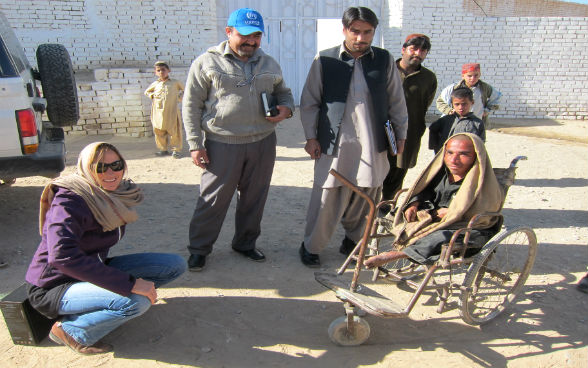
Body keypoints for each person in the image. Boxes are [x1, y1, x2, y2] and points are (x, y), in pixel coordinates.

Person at [24, 142, 186, 354]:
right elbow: (61, 256)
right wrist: (129, 284)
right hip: (55, 285)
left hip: (91, 268)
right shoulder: (70, 200)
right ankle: (71, 329)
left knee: (174, 265)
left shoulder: (112, 195)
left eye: (116, 165)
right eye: (100, 167)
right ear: (86, 169)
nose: (111, 172)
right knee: (136, 301)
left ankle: (97, 306)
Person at [182, 8, 294, 271]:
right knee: (213, 199)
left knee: (254, 198)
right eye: (244, 35)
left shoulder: (269, 63)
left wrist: (286, 109)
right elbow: (191, 105)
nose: (251, 42)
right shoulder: (207, 63)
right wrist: (195, 144)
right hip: (223, 144)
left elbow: (284, 94)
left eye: (256, 36)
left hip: (263, 143)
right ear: (229, 32)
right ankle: (199, 249)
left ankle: (245, 243)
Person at [299, 6, 408, 267]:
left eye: (367, 32)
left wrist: (400, 135)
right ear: (345, 30)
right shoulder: (324, 60)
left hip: (373, 144)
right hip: (335, 143)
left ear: (374, 32)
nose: (361, 38)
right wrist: (311, 137)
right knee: (327, 195)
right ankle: (311, 246)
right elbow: (310, 102)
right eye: (355, 31)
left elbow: (397, 101)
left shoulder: (383, 60)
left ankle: (354, 240)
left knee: (367, 194)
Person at [364, 133, 503, 268]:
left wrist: (452, 213)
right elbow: (425, 190)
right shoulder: (441, 173)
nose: (454, 160)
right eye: (450, 153)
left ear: (476, 156)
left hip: (467, 226)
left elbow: (483, 214)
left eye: (464, 154)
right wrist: (414, 203)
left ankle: (397, 255)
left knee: (440, 236)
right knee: (398, 213)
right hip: (435, 215)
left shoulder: (483, 183)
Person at [382, 33, 437, 201]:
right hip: (380, 129)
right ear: (404, 49)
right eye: (414, 48)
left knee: (398, 169)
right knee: (375, 167)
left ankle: (387, 204)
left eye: (423, 50)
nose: (417, 53)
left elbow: (424, 105)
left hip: (410, 131)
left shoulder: (428, 78)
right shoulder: (386, 70)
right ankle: (366, 203)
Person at [436, 63, 501, 127]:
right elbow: (440, 101)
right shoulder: (453, 88)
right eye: (469, 76)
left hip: (477, 123)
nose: (473, 78)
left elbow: (496, 98)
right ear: (463, 76)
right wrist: (448, 110)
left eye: (476, 75)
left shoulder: (485, 88)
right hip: (455, 123)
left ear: (480, 75)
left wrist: (487, 110)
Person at [144, 61, 185, 158]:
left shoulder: (175, 82)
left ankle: (176, 150)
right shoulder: (156, 84)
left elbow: (185, 90)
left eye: (163, 70)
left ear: (168, 70)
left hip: (171, 111)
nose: (161, 72)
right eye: (158, 70)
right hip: (158, 112)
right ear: (155, 73)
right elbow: (147, 92)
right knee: (159, 130)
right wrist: (152, 95)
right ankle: (163, 149)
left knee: (174, 131)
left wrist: (179, 98)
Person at [429, 87, 485, 153]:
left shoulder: (477, 123)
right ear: (452, 104)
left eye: (464, 104)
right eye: (457, 104)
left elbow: (481, 143)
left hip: (466, 157)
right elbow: (433, 129)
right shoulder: (445, 120)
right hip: (446, 155)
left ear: (472, 102)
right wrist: (436, 149)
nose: (460, 107)